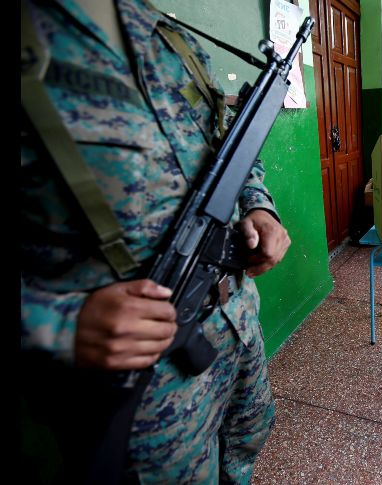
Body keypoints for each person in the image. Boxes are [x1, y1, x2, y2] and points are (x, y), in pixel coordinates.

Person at [21, 1, 290, 483]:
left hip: (234, 324)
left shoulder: (170, 37)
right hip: (138, 384)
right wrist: (60, 324)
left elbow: (228, 144)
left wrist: (258, 205)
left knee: (246, 448)